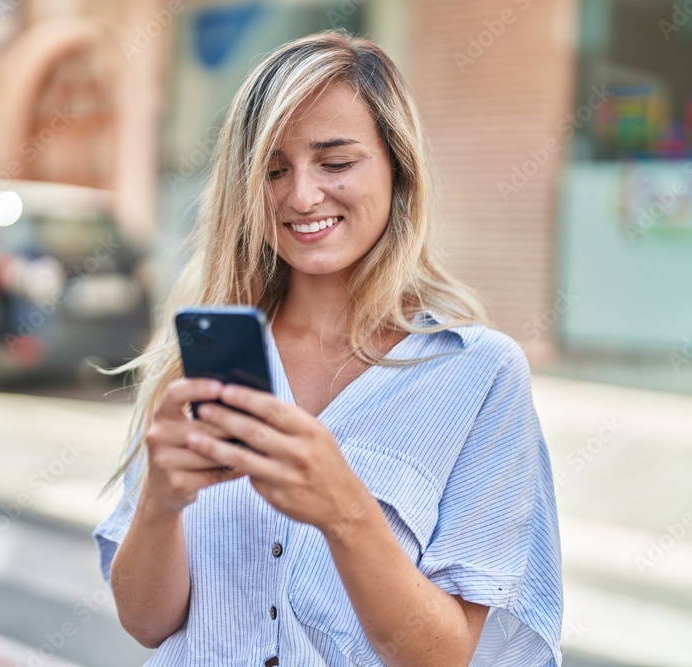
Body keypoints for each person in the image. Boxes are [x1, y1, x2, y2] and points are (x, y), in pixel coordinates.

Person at [93, 30, 562, 667]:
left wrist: (344, 510)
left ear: (398, 169)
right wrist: (160, 503)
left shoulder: (478, 376)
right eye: (273, 170)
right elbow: (147, 624)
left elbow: (441, 656)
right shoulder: (201, 358)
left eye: (335, 163)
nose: (301, 196)